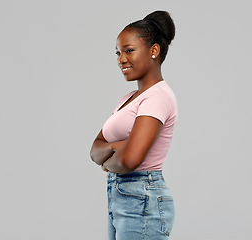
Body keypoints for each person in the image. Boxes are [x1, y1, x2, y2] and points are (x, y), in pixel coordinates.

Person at [90, 10, 177, 240]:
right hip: (122, 198)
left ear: (154, 51)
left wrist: (112, 159)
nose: (121, 59)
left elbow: (130, 160)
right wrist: (120, 145)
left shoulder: (157, 97)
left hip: (142, 199)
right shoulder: (128, 99)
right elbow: (95, 149)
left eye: (129, 51)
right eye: (118, 53)